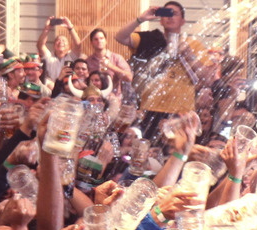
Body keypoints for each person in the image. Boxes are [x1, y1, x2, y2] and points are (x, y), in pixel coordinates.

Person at [115, 2, 216, 139]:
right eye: (166, 13)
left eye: (175, 14)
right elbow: (120, 37)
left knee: (177, 154)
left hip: (182, 113)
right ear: (161, 19)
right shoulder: (151, 39)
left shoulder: (193, 45)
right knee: (148, 153)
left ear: (183, 21)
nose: (170, 17)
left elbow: (207, 79)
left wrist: (189, 55)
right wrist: (141, 19)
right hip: (151, 110)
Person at [85, 28, 132, 93]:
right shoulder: (88, 61)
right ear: (91, 43)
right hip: (94, 97)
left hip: (114, 98)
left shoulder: (117, 58)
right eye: (96, 39)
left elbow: (129, 78)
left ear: (106, 41)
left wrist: (110, 66)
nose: (99, 41)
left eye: (101, 38)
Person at [36, 16, 82, 82]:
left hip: (68, 88)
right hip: (51, 88)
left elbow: (78, 45)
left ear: (69, 46)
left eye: (64, 41)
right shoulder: (49, 56)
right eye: (58, 40)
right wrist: (47, 28)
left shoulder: (71, 56)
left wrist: (70, 28)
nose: (61, 42)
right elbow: (40, 45)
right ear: (54, 45)